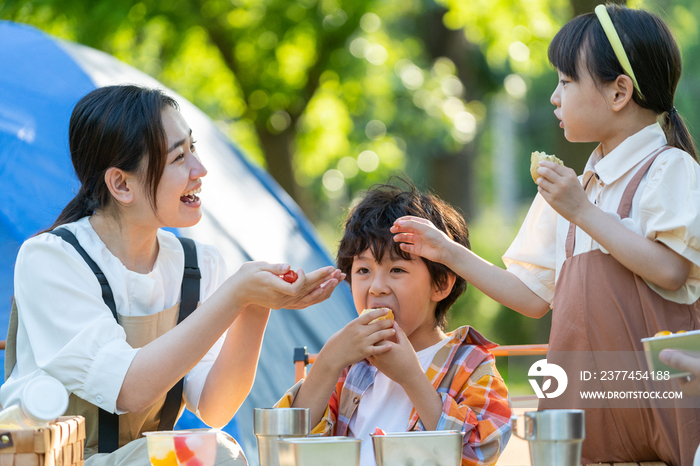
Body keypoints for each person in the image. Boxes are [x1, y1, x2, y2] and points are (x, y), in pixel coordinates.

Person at [390, 4, 700, 465]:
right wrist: (447, 251)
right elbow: (531, 296)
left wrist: (582, 212)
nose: (555, 97)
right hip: (585, 433)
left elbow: (672, 269)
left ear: (619, 92)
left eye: (566, 81)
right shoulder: (570, 189)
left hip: (664, 421)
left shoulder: (668, 168)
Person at [0, 85, 344, 465]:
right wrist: (235, 294)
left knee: (220, 450)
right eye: (179, 157)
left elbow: (216, 406)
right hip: (53, 459)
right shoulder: (52, 258)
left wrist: (253, 303)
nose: (200, 170)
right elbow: (129, 389)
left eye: (193, 148)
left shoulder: (196, 266)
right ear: (121, 184)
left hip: (140, 458)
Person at [275, 182, 512, 466]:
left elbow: (481, 452)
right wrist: (327, 361)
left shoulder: (472, 366)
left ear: (441, 284)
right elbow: (286, 445)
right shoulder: (348, 366)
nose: (376, 287)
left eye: (397, 269)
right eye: (363, 270)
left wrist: (412, 378)